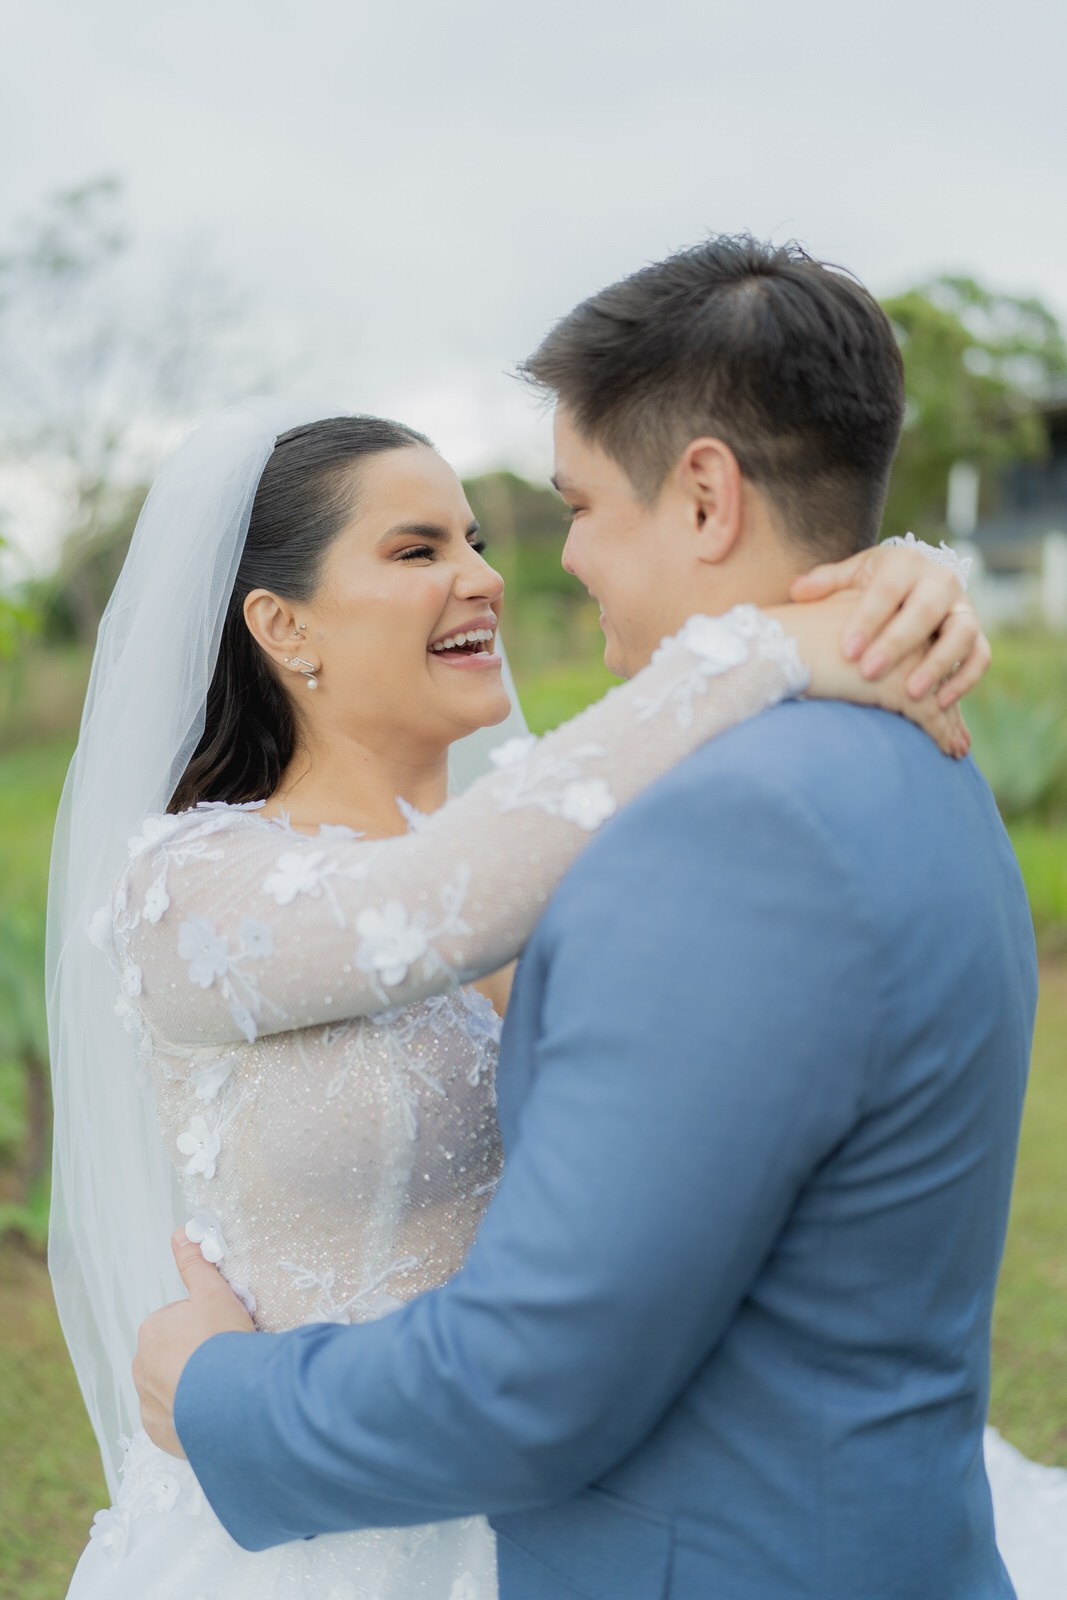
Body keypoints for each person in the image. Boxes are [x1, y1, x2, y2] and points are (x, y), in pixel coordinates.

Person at [132, 240, 1054, 1599]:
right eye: (417, 547)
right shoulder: (211, 886)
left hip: (587, 1507)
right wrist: (822, 614)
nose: (517, 568)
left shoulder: (709, 833)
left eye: (547, 513)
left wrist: (219, 1390)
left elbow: (537, 1373)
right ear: (282, 625)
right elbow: (418, 905)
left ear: (705, 497)